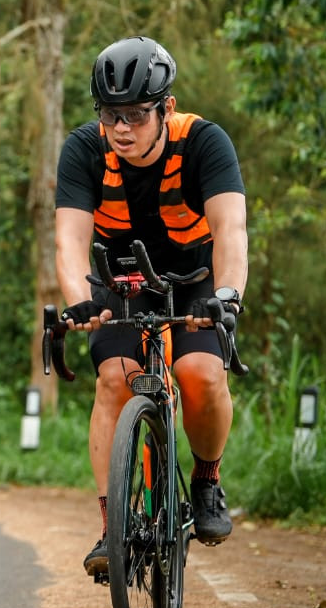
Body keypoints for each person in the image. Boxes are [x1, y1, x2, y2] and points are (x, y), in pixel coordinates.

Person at [54, 36, 248, 578]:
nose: (122, 128)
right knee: (114, 378)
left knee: (200, 374)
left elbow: (231, 230)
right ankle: (112, 525)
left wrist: (227, 295)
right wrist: (78, 303)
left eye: (137, 114)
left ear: (166, 107)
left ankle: (206, 481)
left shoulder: (204, 142)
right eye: (111, 114)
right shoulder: (84, 150)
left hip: (195, 280)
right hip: (121, 280)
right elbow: (69, 241)